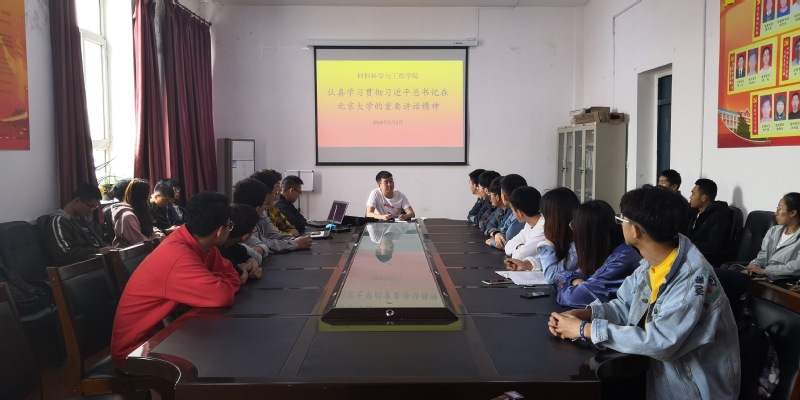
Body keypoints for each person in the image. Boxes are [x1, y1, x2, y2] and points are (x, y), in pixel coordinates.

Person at [548, 186, 740, 399]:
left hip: (691, 391)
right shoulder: (653, 263)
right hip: (658, 378)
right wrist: (587, 314)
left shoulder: (691, 279)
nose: (620, 224)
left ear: (636, 230)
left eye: (622, 219)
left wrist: (585, 329)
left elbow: (661, 342)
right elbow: (624, 306)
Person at [111, 191, 241, 369]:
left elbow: (231, 274)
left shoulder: (200, 243)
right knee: (225, 357)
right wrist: (219, 281)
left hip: (165, 332)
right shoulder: (178, 256)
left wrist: (218, 281)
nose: (230, 228)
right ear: (220, 231)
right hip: (136, 350)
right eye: (229, 225)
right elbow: (222, 296)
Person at [553, 200, 641, 308]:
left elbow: (573, 297)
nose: (573, 231)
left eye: (575, 225)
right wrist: (575, 281)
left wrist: (575, 284)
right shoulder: (603, 251)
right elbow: (558, 276)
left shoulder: (622, 258)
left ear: (588, 232)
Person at [504, 187, 580, 284]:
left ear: (557, 218)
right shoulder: (566, 236)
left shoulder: (578, 244)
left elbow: (552, 275)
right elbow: (558, 262)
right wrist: (526, 264)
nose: (543, 220)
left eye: (546, 215)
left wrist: (547, 243)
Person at [234, 177, 312, 255]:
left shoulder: (260, 213)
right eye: (276, 189)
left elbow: (271, 236)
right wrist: (295, 243)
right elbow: (264, 244)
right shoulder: (243, 223)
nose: (279, 191)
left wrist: (294, 241)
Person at [41, 183, 112, 265]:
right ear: (77, 200)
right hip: (81, 267)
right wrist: (98, 251)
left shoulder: (86, 220)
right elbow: (64, 254)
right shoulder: (59, 221)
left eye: (95, 208)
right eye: (90, 206)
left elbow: (100, 242)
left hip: (99, 262)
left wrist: (109, 248)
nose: (91, 211)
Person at [743, 192, 800, 279]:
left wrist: (765, 271)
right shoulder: (773, 231)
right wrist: (754, 266)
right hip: (761, 279)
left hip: (782, 282)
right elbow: (763, 256)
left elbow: (797, 267)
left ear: (792, 213)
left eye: (779, 208)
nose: (775, 213)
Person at [686, 178, 732, 265]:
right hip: (691, 253)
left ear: (703, 198)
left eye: (693, 194)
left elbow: (713, 246)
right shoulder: (695, 212)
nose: (690, 197)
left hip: (704, 260)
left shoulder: (719, 216)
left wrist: (687, 245)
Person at [109, 179, 164, 247]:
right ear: (141, 198)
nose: (150, 197)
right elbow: (141, 243)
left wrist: (158, 234)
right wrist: (158, 238)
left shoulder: (138, 211)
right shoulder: (127, 216)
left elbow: (150, 229)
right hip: (135, 252)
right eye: (148, 194)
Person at [218, 204, 263, 285]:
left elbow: (244, 255)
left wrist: (252, 263)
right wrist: (242, 270)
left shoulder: (232, 246)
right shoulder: (217, 250)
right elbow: (241, 277)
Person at [502, 186, 545, 260]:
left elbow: (518, 256)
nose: (513, 213)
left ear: (520, 212)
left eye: (512, 210)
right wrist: (519, 247)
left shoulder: (543, 227)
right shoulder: (529, 224)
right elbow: (508, 245)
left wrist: (519, 248)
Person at [486, 174, 527, 250]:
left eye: (501, 192)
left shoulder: (522, 215)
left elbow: (508, 243)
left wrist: (493, 243)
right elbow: (500, 230)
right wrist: (496, 233)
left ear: (504, 196)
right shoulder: (513, 212)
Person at [255, 169, 298, 237]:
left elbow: (289, 227)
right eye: (277, 186)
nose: (280, 190)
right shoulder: (257, 210)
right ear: (266, 189)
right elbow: (271, 236)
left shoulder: (272, 207)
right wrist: (290, 235)